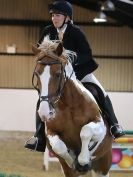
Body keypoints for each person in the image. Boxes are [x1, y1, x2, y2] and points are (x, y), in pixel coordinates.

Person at [25, 0, 125, 152]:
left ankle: (114, 124)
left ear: (67, 17)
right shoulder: (47, 31)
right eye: (52, 15)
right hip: (57, 75)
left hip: (78, 72)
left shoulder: (76, 32)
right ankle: (39, 137)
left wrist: (70, 61)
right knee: (42, 100)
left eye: (58, 15)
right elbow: (41, 51)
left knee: (100, 90)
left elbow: (87, 54)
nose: (54, 18)